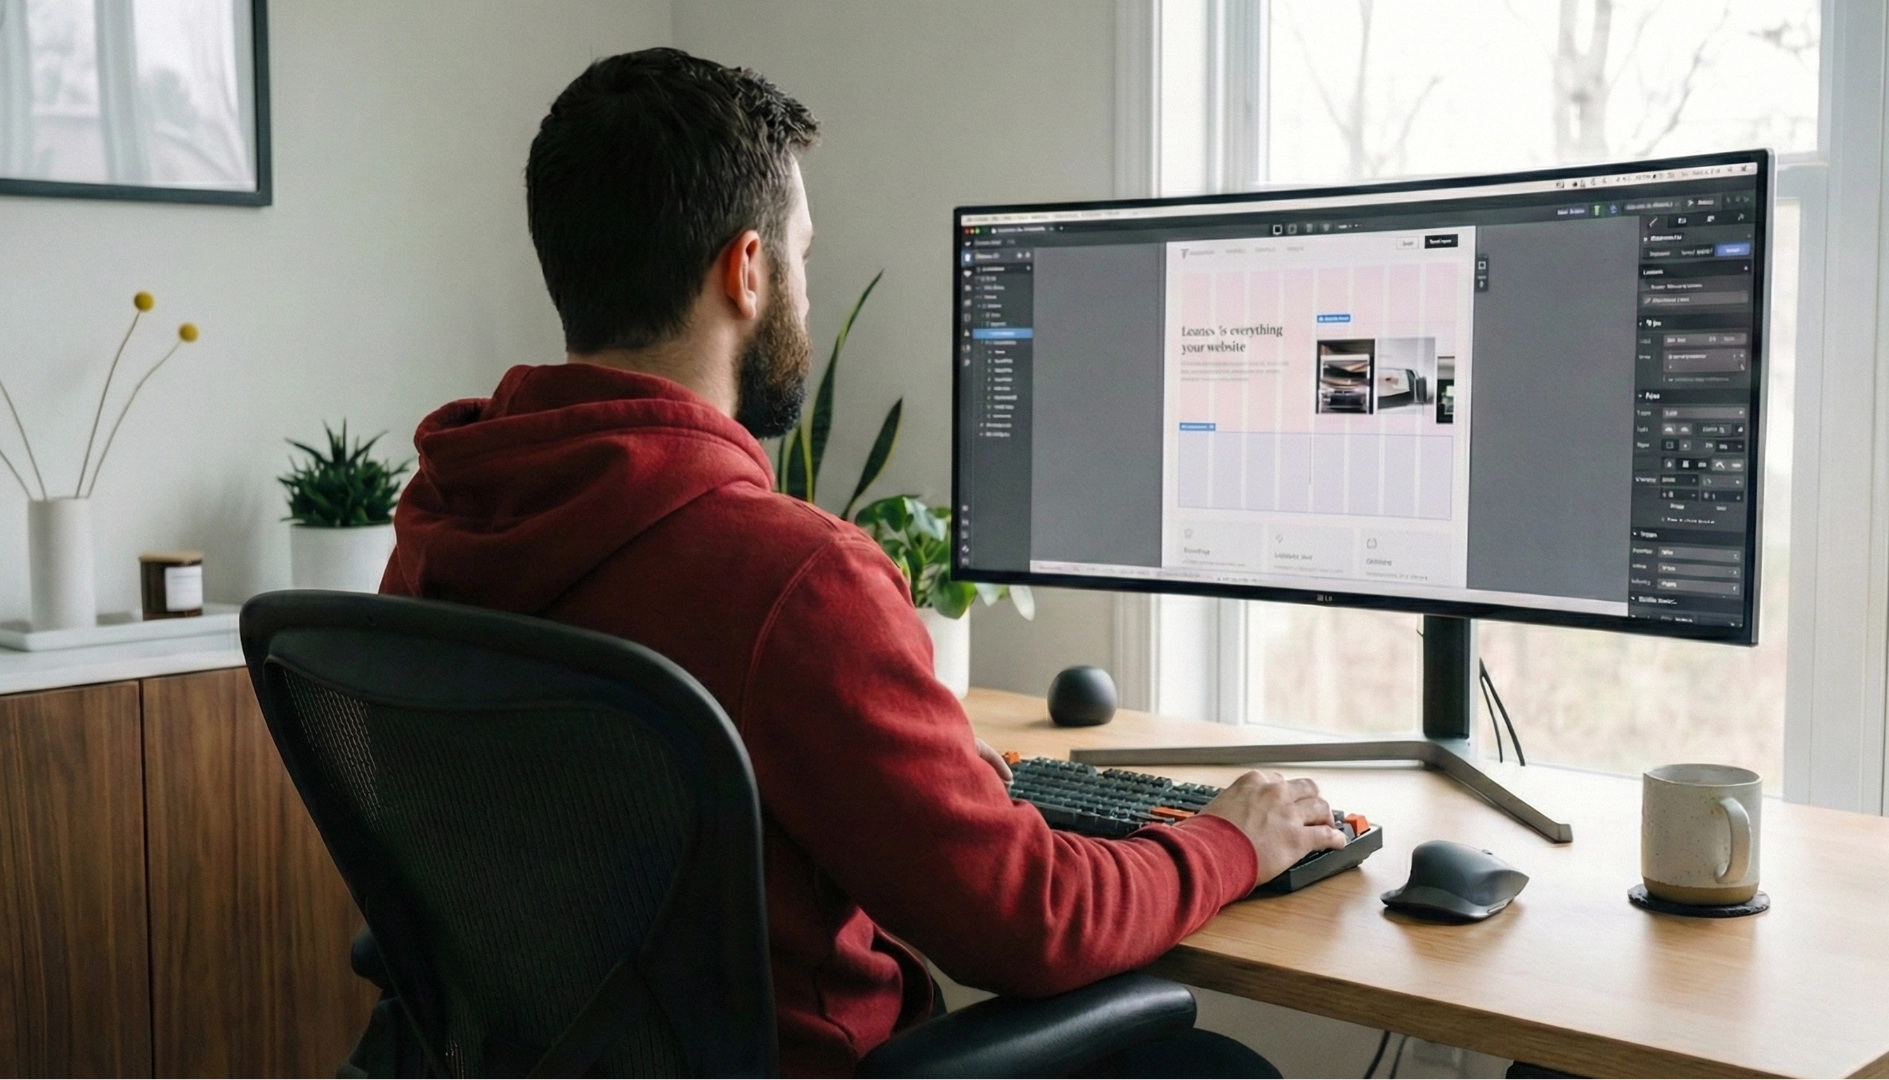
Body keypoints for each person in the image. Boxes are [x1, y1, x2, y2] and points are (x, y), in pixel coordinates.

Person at [382, 47, 1346, 1080]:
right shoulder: (791, 577)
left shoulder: (445, 519)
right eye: (801, 254)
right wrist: (1228, 840)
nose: (804, 290)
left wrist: (930, 784)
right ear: (747, 271)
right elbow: (1031, 924)